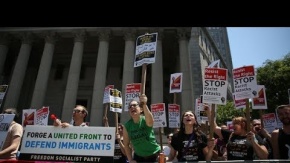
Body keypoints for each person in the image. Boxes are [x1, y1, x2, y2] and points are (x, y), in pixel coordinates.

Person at [205, 105, 269, 160]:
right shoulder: (230, 135)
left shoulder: (254, 136)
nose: (233, 126)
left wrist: (253, 142)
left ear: (243, 124)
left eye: (235, 123)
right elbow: (215, 127)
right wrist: (208, 113)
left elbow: (264, 156)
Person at [123, 94, 161, 163]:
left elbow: (150, 122)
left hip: (154, 156)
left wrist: (144, 104)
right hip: (139, 158)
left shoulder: (145, 120)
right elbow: (126, 144)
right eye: (130, 106)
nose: (132, 107)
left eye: (134, 105)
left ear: (141, 110)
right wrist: (130, 159)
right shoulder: (127, 126)